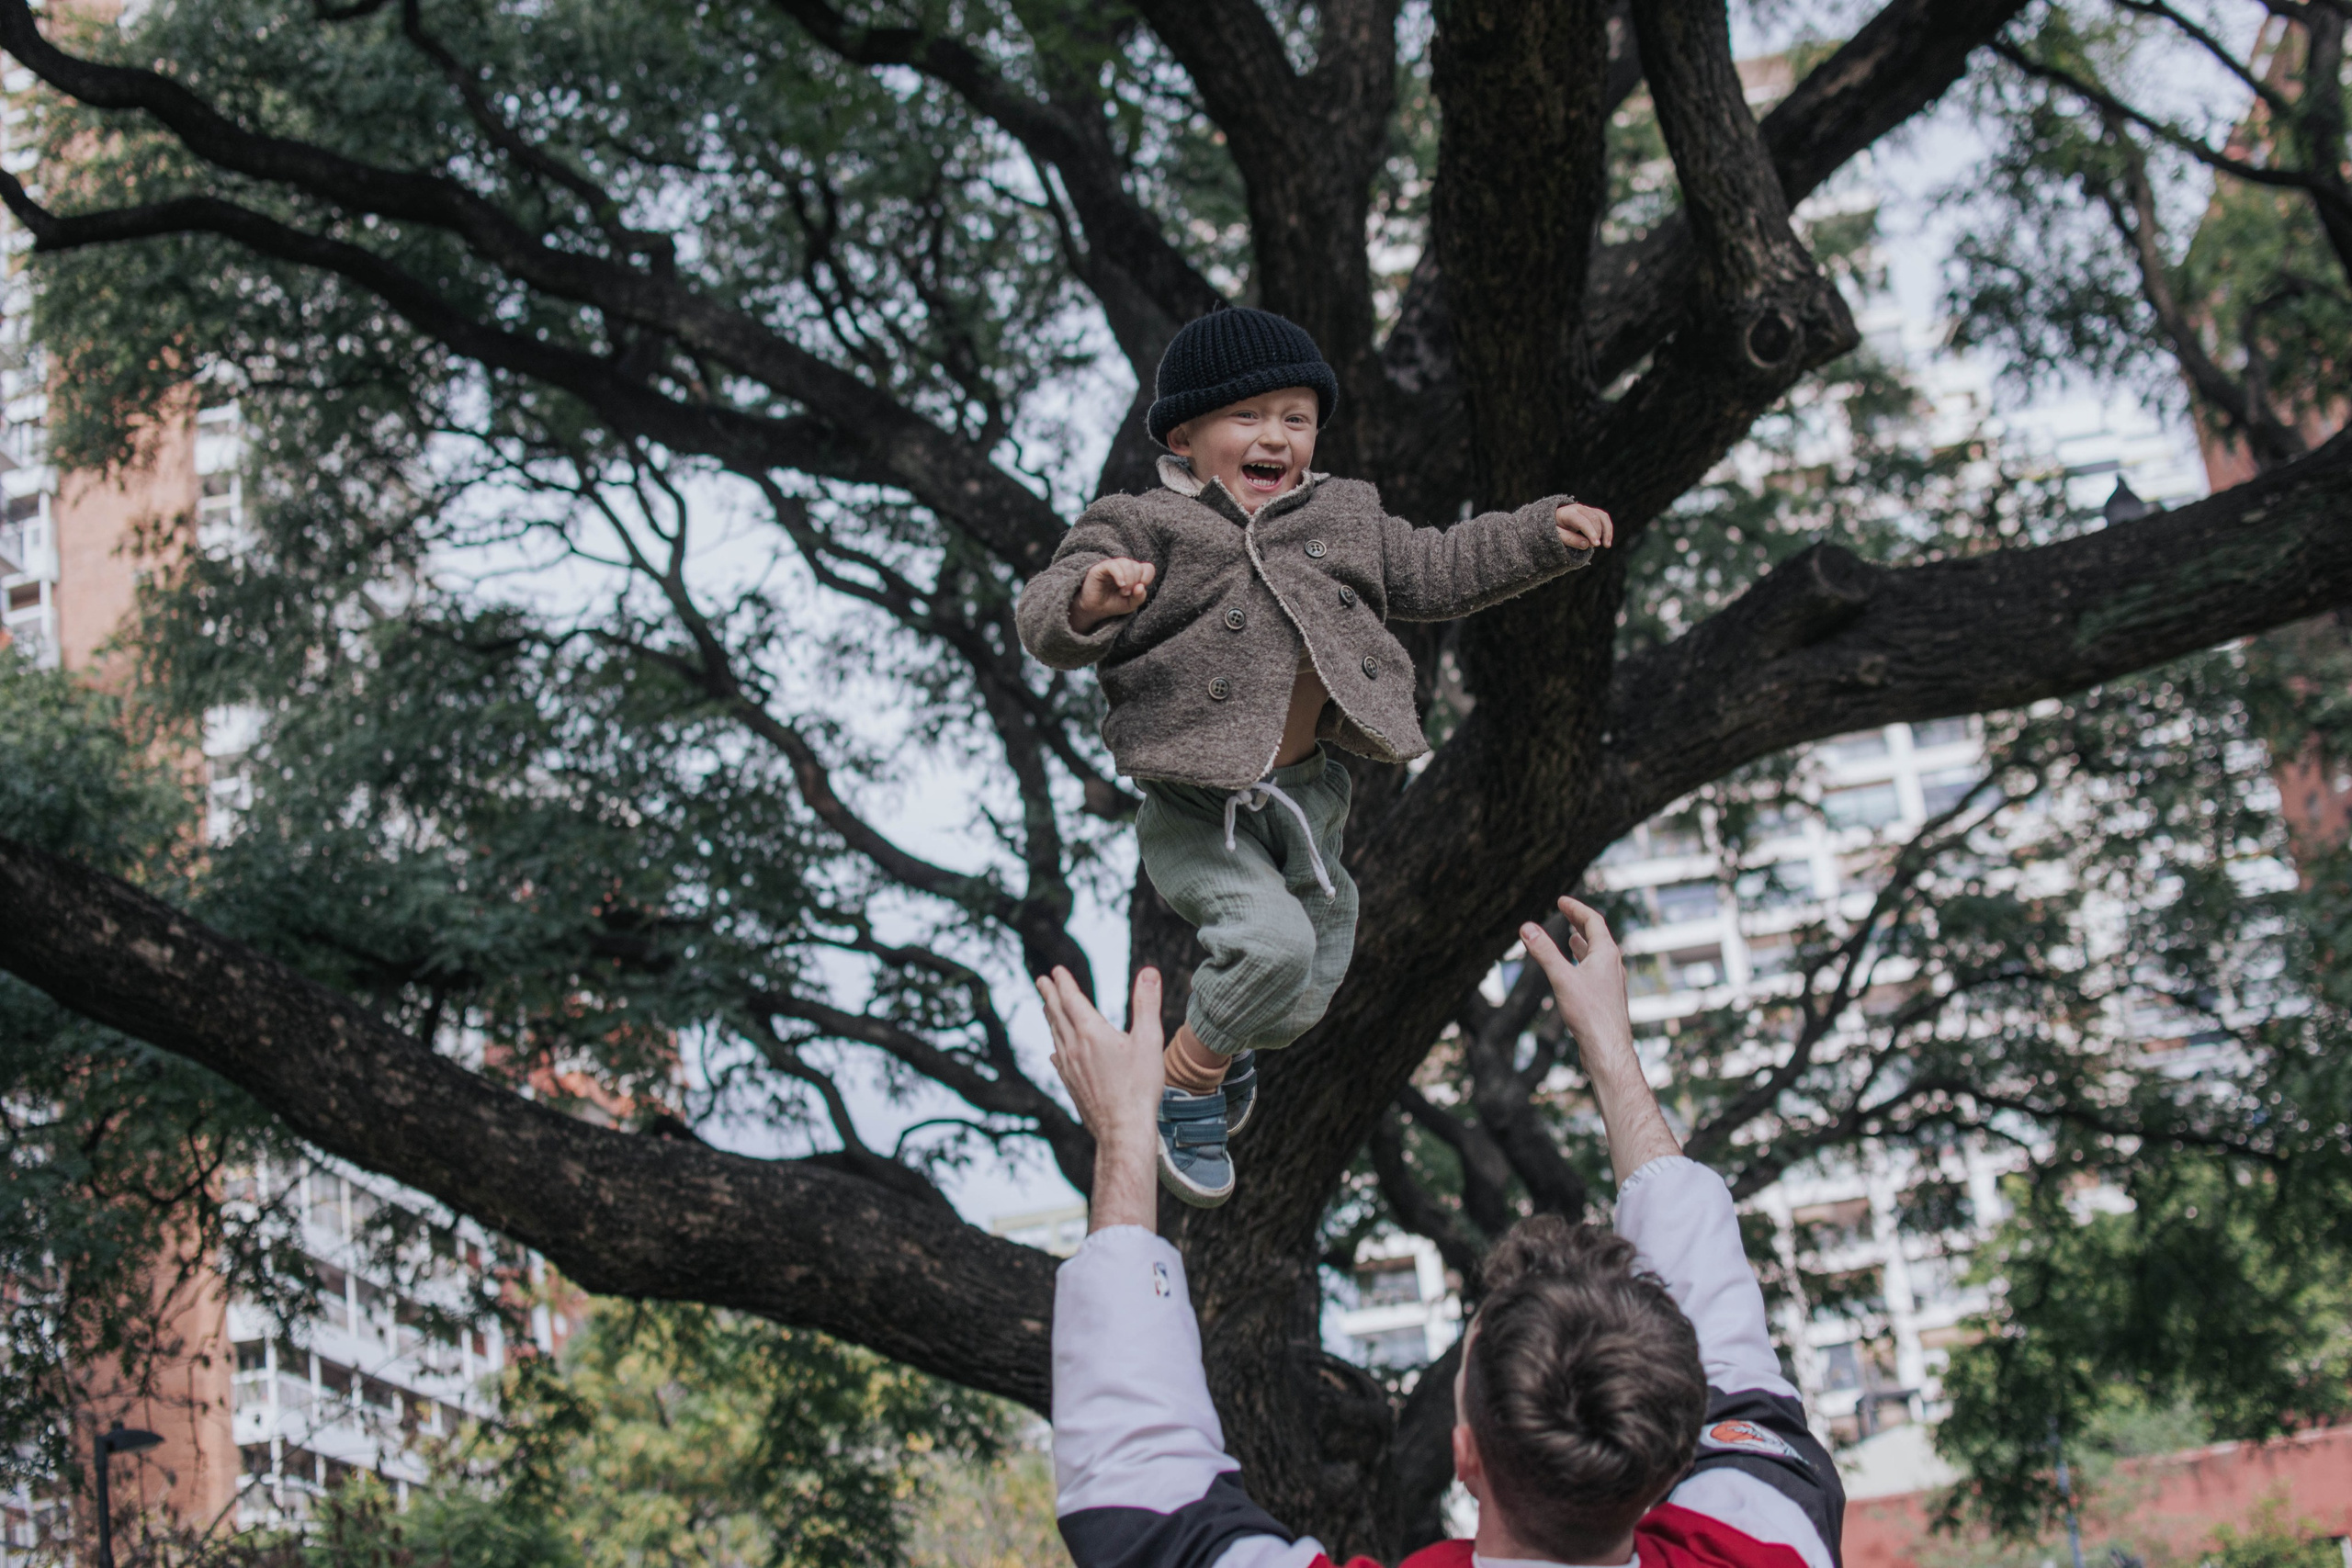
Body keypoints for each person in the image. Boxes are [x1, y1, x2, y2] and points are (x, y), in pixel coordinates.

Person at [1034, 897, 1842, 1568]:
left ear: (1463, 1459)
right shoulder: (1767, 1539)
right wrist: (1130, 1134)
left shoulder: (1775, 1528)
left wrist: (1124, 1133)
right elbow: (1138, 1492)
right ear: (1674, 1461)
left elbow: (1140, 1492)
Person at [1017, 307, 1613, 1208]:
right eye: (1248, 418)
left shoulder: (1345, 516)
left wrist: (1537, 537)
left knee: (1313, 977)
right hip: (1196, 804)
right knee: (1270, 946)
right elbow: (1045, 610)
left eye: (1295, 420)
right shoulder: (1143, 522)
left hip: (1307, 799)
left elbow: (1438, 566)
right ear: (1185, 434)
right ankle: (1184, 1079)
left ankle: (1226, 1045)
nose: (1276, 438)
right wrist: (1095, 598)